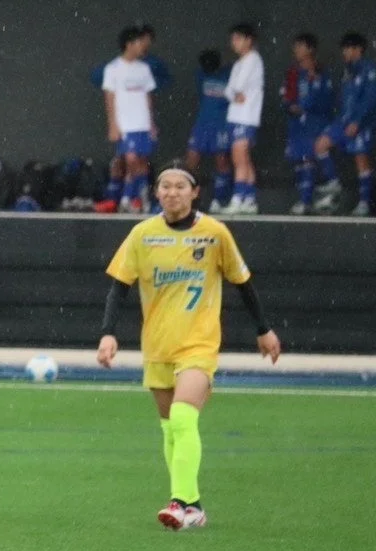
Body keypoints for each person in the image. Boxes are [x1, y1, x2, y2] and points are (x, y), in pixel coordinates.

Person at [97, 167, 281, 530]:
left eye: (180, 186)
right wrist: (108, 333)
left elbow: (243, 283)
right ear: (157, 192)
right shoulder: (143, 234)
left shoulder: (214, 234)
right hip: (158, 346)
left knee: (183, 418)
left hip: (199, 345)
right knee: (170, 428)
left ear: (195, 192)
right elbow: (119, 286)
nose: (172, 192)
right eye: (165, 186)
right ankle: (194, 506)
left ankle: (178, 503)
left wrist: (264, 330)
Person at [314, 32, 376, 216]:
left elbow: (370, 98)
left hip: (361, 124)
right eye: (344, 48)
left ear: (358, 49)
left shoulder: (368, 68)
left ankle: (365, 202)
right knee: (321, 145)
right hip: (343, 121)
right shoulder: (347, 70)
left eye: (348, 48)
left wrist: (357, 121)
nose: (345, 52)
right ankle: (334, 184)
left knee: (361, 159)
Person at [101, 26, 159, 213]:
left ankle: (136, 199)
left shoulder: (144, 68)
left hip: (142, 123)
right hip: (126, 125)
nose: (143, 46)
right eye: (139, 43)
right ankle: (131, 196)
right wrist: (113, 125)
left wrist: (151, 123)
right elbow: (109, 98)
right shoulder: (113, 68)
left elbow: (148, 97)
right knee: (131, 159)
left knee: (141, 162)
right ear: (129, 44)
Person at [281, 33, 335, 216]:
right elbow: (286, 98)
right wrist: (292, 107)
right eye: (295, 46)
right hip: (297, 124)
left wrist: (306, 106)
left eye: (300, 46)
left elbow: (325, 100)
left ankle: (330, 191)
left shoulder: (321, 72)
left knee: (314, 155)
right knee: (301, 162)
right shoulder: (293, 72)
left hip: (316, 122)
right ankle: (305, 200)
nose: (296, 50)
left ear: (310, 49)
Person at [221, 23, 264, 214]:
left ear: (248, 40)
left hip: (246, 116)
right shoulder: (238, 63)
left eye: (237, 39)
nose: (234, 43)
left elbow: (237, 87)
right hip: (235, 115)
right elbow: (229, 91)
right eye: (233, 39)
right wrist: (232, 93)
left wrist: (233, 92)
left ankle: (238, 198)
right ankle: (250, 199)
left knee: (239, 157)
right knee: (244, 158)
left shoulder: (253, 59)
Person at [185, 49, 232, 209]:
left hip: (221, 124)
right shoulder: (201, 74)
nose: (208, 68)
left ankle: (220, 199)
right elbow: (201, 95)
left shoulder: (229, 74)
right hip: (202, 123)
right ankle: (188, 199)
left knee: (221, 160)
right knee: (191, 159)